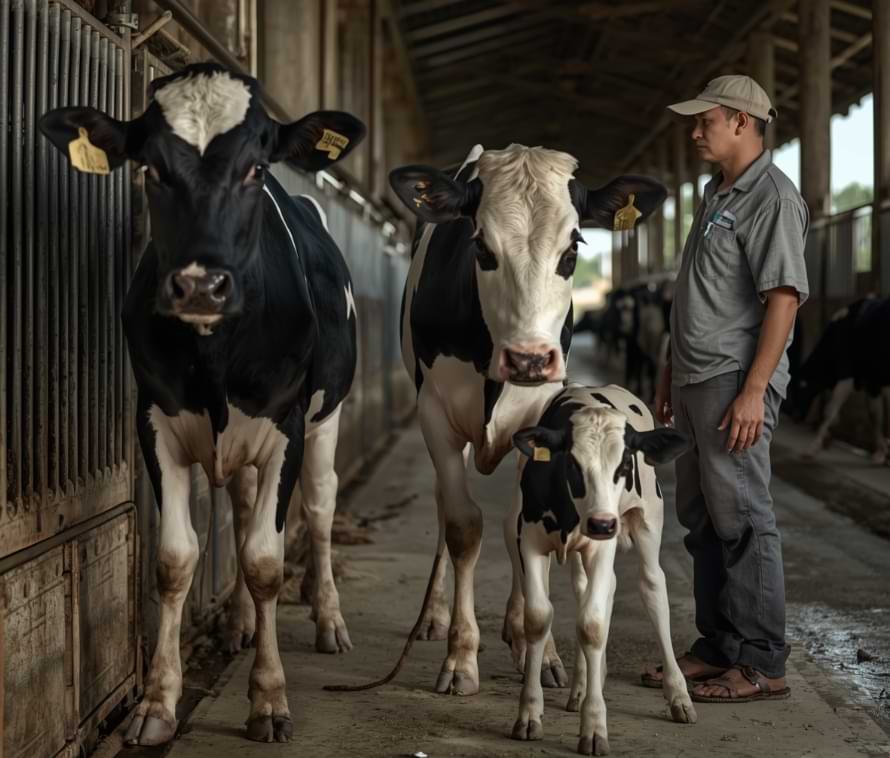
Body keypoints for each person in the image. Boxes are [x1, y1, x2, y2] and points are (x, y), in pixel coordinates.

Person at [642, 75, 809, 702]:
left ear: (740, 121)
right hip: (692, 379)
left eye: (703, 121)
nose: (694, 132)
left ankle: (763, 660)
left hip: (731, 381)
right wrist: (667, 371)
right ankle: (717, 646)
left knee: (743, 520)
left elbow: (784, 300)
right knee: (702, 519)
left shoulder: (772, 197)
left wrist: (754, 390)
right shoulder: (717, 194)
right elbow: (696, 294)